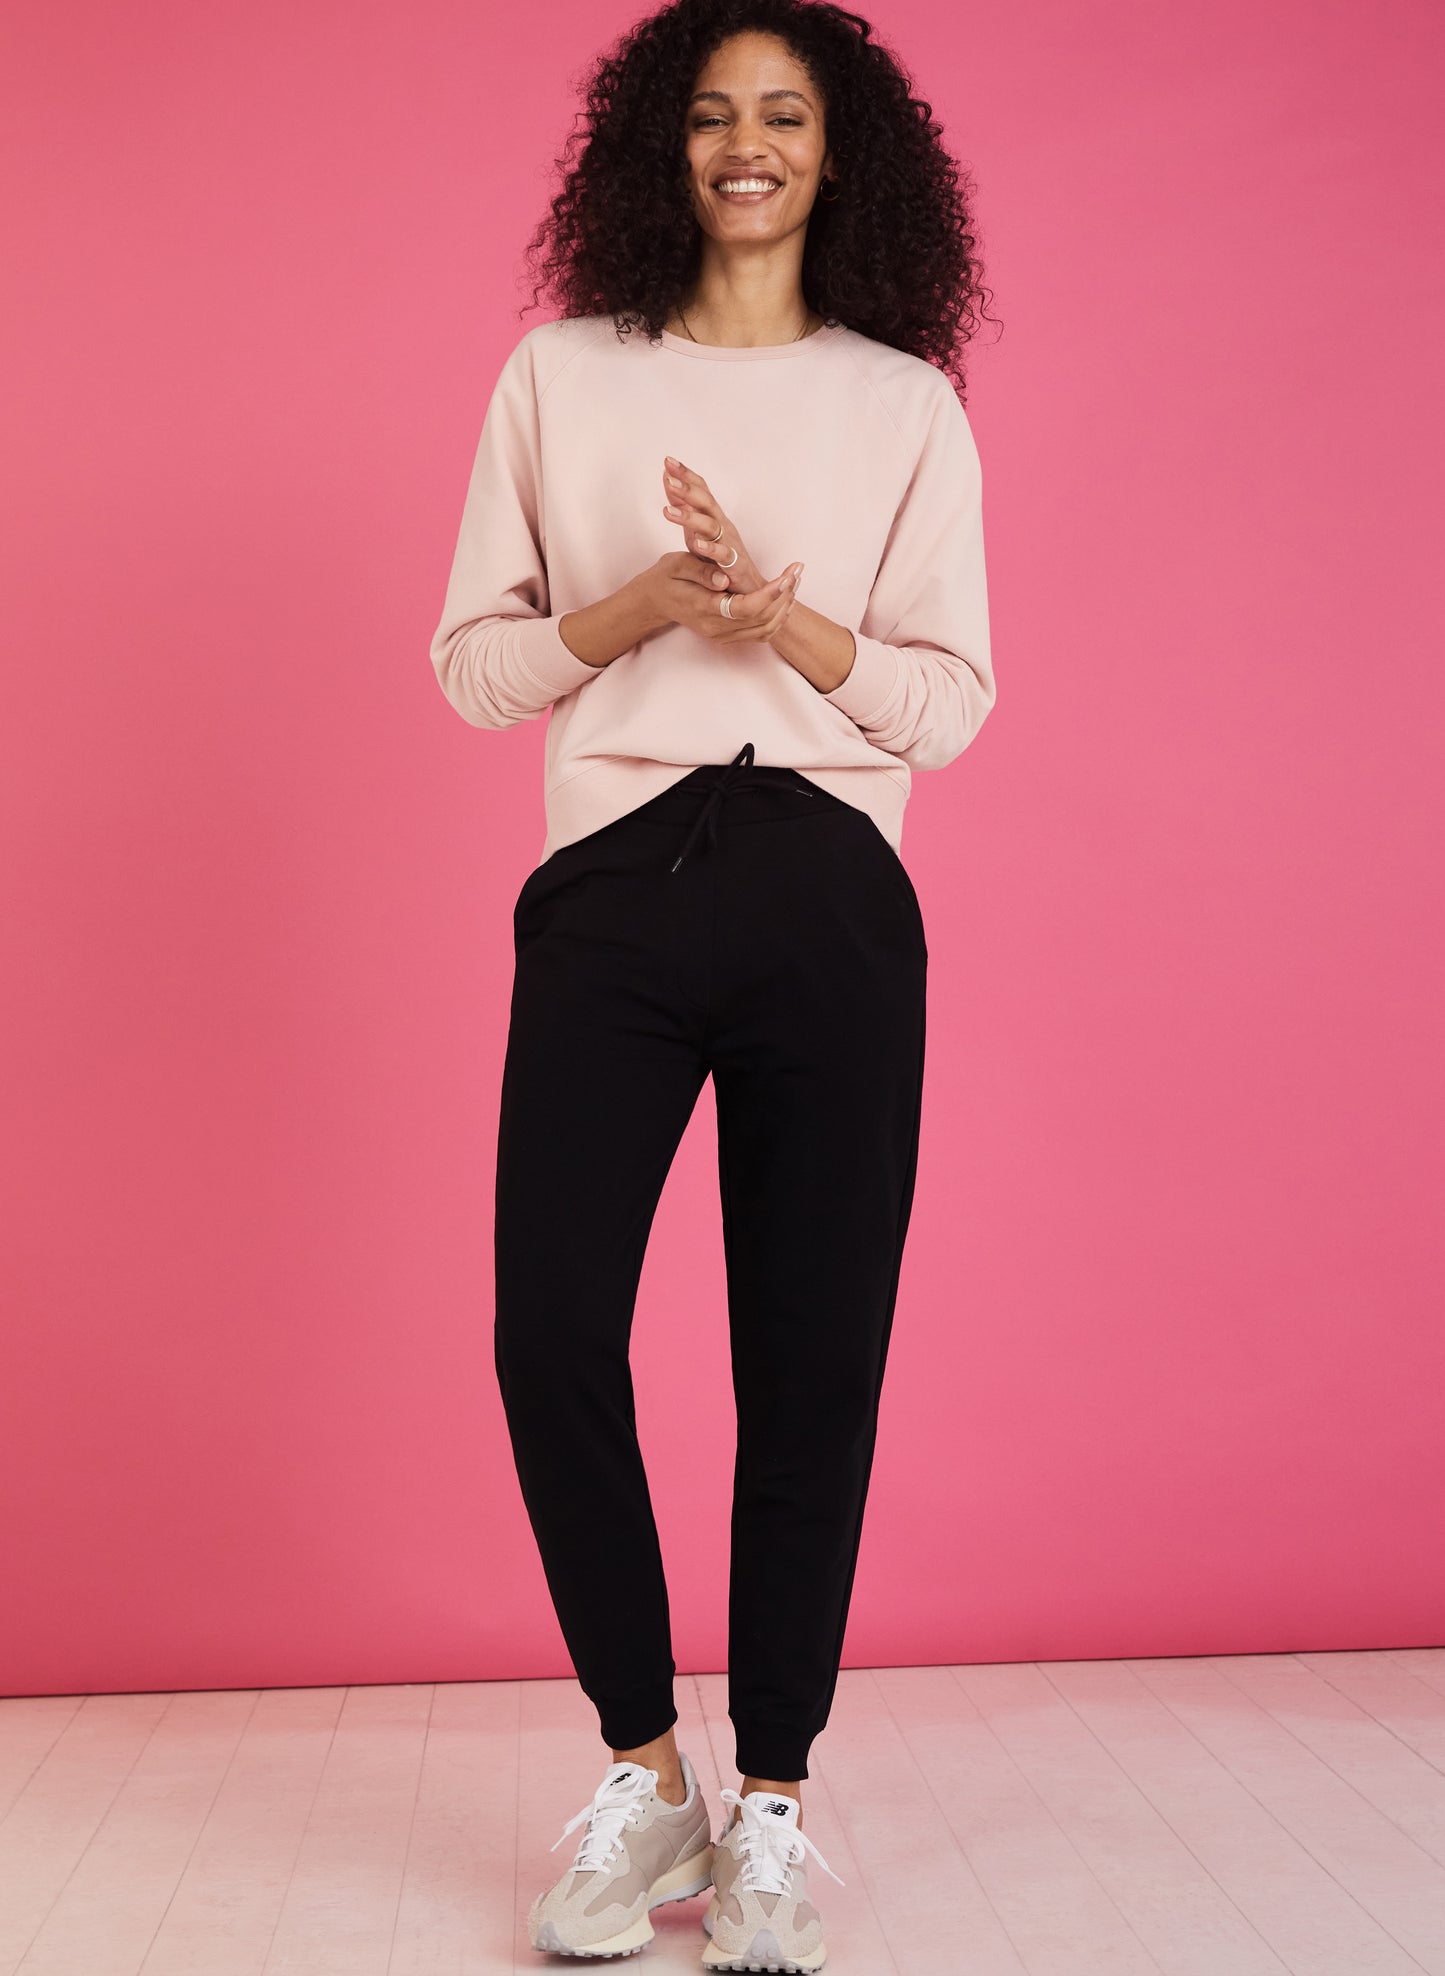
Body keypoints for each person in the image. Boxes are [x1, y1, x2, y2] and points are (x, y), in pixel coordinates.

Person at [429, 1, 996, 1964]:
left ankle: (770, 1805)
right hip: (612, 890)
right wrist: (642, 609)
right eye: (708, 115)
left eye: (785, 115)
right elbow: (476, 670)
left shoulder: (904, 404)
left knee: (812, 1364)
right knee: (548, 1331)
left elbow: (948, 706)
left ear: (843, 154)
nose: (744, 144)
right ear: (654, 148)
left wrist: (785, 626)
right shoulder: (560, 375)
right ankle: (643, 1767)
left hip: (831, 895)